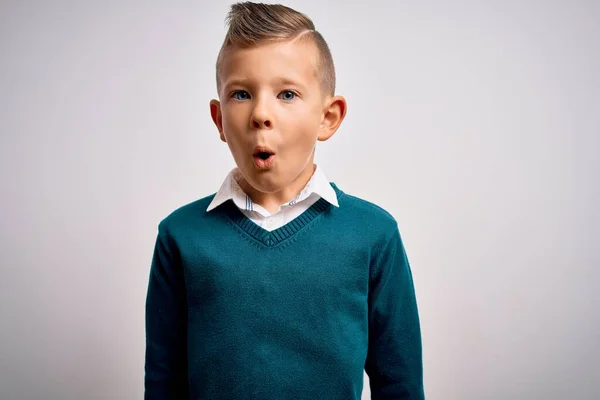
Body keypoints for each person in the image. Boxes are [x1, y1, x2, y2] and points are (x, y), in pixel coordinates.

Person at [144, 2, 424, 399]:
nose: (260, 114)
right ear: (220, 119)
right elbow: (162, 384)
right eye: (241, 94)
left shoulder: (374, 236)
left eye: (287, 94)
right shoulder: (180, 236)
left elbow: (400, 386)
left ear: (328, 117)